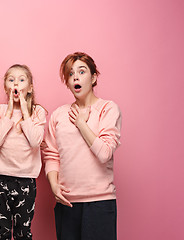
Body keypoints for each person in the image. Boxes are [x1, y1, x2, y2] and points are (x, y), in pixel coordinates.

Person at [42, 52, 122, 240]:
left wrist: (81, 124)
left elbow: (104, 153)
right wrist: (54, 186)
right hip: (67, 204)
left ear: (93, 77)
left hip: (99, 203)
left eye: (82, 71)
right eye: (70, 74)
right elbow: (52, 155)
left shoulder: (108, 109)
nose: (75, 77)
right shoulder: (58, 115)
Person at [0, 64, 46, 240]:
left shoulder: (37, 112)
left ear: (29, 88)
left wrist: (25, 111)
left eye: (22, 80)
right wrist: (9, 112)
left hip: (26, 182)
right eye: (11, 80)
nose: (16, 84)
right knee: (1, 233)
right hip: (0, 180)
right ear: (6, 86)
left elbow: (36, 141)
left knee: (23, 233)